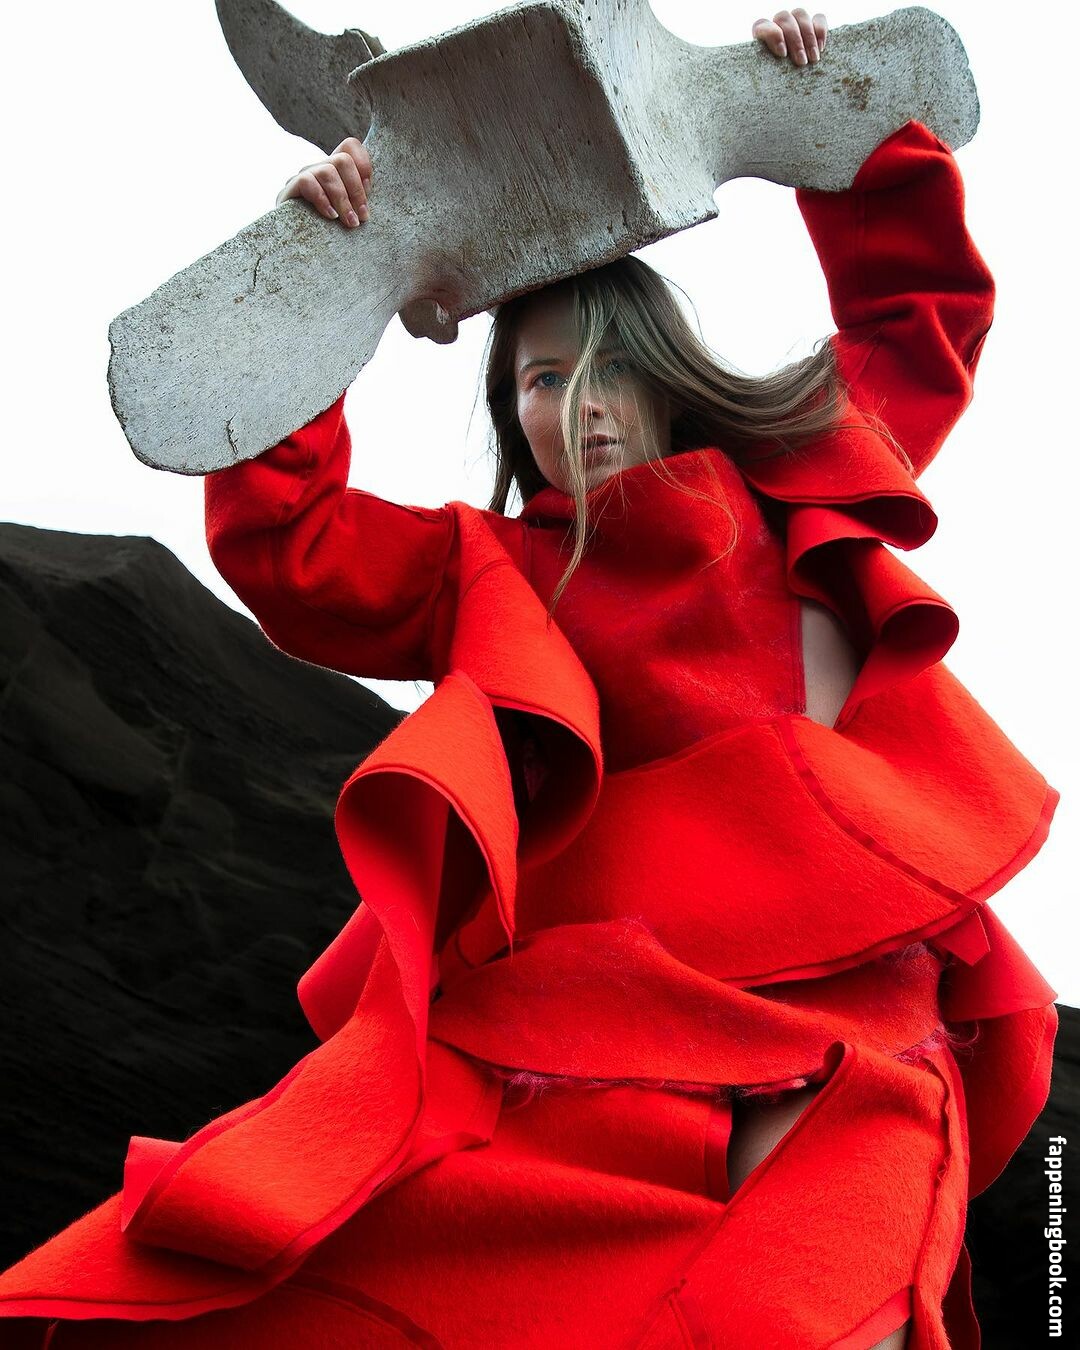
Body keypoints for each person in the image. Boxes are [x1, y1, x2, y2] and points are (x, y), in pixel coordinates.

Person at [0, 10, 1059, 1348]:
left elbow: (920, 317)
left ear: (669, 377)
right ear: (512, 411)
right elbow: (294, 545)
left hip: (855, 996)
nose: (582, 406)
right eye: (544, 381)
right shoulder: (497, 568)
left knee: (833, 1303)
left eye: (609, 368)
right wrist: (329, 265)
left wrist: (821, 105)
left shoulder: (796, 483)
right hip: (611, 1029)